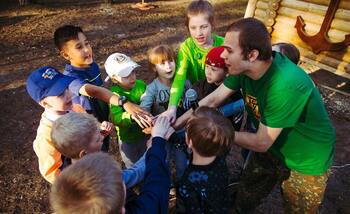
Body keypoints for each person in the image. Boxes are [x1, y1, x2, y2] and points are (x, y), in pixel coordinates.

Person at [175, 17, 335, 213]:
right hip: (271, 147)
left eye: (230, 51)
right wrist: (175, 123)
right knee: (246, 194)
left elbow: (261, 141)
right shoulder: (242, 68)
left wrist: (212, 134)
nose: (223, 55)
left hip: (305, 160)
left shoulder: (285, 85)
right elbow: (213, 99)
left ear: (252, 55)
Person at [54, 25, 152, 151]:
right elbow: (93, 91)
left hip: (103, 125)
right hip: (86, 132)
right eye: (79, 47)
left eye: (87, 43)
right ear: (66, 55)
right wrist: (124, 102)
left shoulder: (92, 66)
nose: (87, 50)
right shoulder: (70, 77)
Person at [50, 116, 172, 214]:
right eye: (98, 139)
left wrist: (98, 136)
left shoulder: (69, 172)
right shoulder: (105, 181)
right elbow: (152, 185)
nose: (102, 138)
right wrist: (155, 146)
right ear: (122, 210)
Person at [26, 66, 117, 184]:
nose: (68, 94)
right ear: (45, 104)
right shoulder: (46, 135)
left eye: (67, 88)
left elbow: (90, 125)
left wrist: (100, 130)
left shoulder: (75, 108)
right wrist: (74, 185)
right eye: (60, 94)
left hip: (95, 163)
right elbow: (51, 171)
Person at [162, 0, 224, 123]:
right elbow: (179, 78)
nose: (198, 33)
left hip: (221, 94)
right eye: (193, 28)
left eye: (204, 27)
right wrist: (172, 107)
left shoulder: (223, 44)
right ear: (187, 27)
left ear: (212, 24)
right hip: (198, 95)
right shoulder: (186, 48)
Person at [51, 112, 145, 188]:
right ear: (83, 153)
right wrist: (152, 149)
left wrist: (98, 135)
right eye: (97, 139)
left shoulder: (71, 160)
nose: (102, 136)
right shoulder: (98, 178)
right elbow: (131, 176)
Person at [140, 45, 190, 179]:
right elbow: (144, 108)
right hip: (162, 133)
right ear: (153, 67)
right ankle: (167, 185)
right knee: (164, 160)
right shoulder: (152, 88)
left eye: (171, 61)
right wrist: (149, 122)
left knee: (182, 162)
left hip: (182, 131)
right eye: (162, 63)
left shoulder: (184, 83)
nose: (168, 66)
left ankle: (183, 185)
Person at [172, 106, 234, 213]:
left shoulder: (187, 185)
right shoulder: (219, 152)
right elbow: (193, 148)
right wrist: (172, 137)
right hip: (221, 203)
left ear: (190, 142)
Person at [104, 53, 148, 168]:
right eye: (126, 75)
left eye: (133, 71)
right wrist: (130, 117)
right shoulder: (114, 95)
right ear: (114, 79)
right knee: (132, 164)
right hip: (128, 140)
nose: (132, 77)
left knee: (147, 160)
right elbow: (116, 118)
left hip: (145, 134)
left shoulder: (141, 85)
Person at [188, 46, 244, 130]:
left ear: (227, 71)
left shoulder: (234, 96)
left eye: (213, 69)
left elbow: (233, 125)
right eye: (206, 66)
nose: (208, 72)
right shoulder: (201, 85)